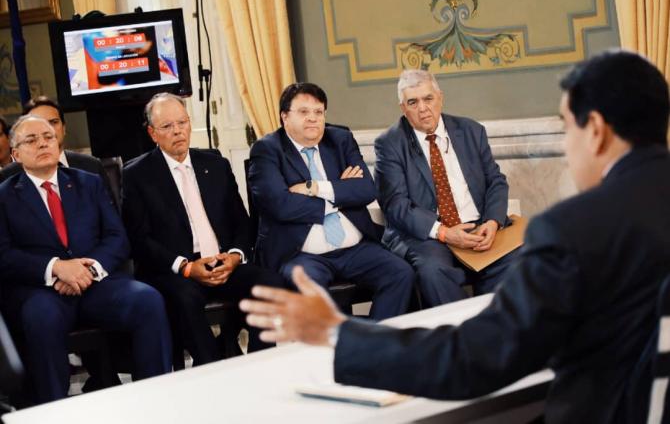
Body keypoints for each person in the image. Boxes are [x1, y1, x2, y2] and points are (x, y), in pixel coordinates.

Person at [240, 50, 670, 423]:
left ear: (595, 130)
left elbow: (478, 355)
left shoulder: (572, 231)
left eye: (565, 127)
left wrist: (338, 334)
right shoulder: (387, 144)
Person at [0, 115, 172, 404]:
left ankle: (155, 398)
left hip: (96, 284)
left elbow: (117, 237)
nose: (43, 143)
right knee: (40, 317)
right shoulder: (4, 196)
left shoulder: (88, 182)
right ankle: (53, 409)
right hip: (43, 290)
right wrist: (56, 268)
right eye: (31, 140)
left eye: (48, 137)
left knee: (148, 300)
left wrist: (87, 270)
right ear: (15, 154)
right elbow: (4, 255)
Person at [122, 93, 283, 365]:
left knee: (270, 284)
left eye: (182, 122)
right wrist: (186, 267)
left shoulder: (215, 164)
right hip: (177, 271)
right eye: (167, 126)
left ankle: (259, 365)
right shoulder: (137, 174)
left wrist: (234, 257)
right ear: (152, 133)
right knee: (184, 299)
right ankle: (211, 367)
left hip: (222, 262)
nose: (178, 131)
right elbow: (139, 239)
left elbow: (241, 221)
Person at [247, 82, 416, 321]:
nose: (313, 119)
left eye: (318, 112)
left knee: (401, 273)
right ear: (285, 116)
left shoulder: (340, 139)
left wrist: (315, 188)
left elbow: (367, 190)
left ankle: (372, 338)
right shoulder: (267, 149)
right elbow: (280, 205)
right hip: (301, 255)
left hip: (355, 248)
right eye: (303, 112)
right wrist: (340, 191)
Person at [374, 69, 514, 307]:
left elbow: (496, 181)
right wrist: (444, 232)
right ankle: (464, 328)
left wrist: (492, 222)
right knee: (432, 272)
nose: (422, 108)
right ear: (403, 108)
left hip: (478, 226)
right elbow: (395, 205)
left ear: (440, 98)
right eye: (413, 102)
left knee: (520, 257)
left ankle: (493, 323)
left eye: (428, 98)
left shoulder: (471, 131)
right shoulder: (389, 144)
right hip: (428, 236)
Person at [0, 96, 116, 208]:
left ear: (64, 128)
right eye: (39, 124)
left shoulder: (91, 166)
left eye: (53, 122)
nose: (47, 129)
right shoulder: (8, 176)